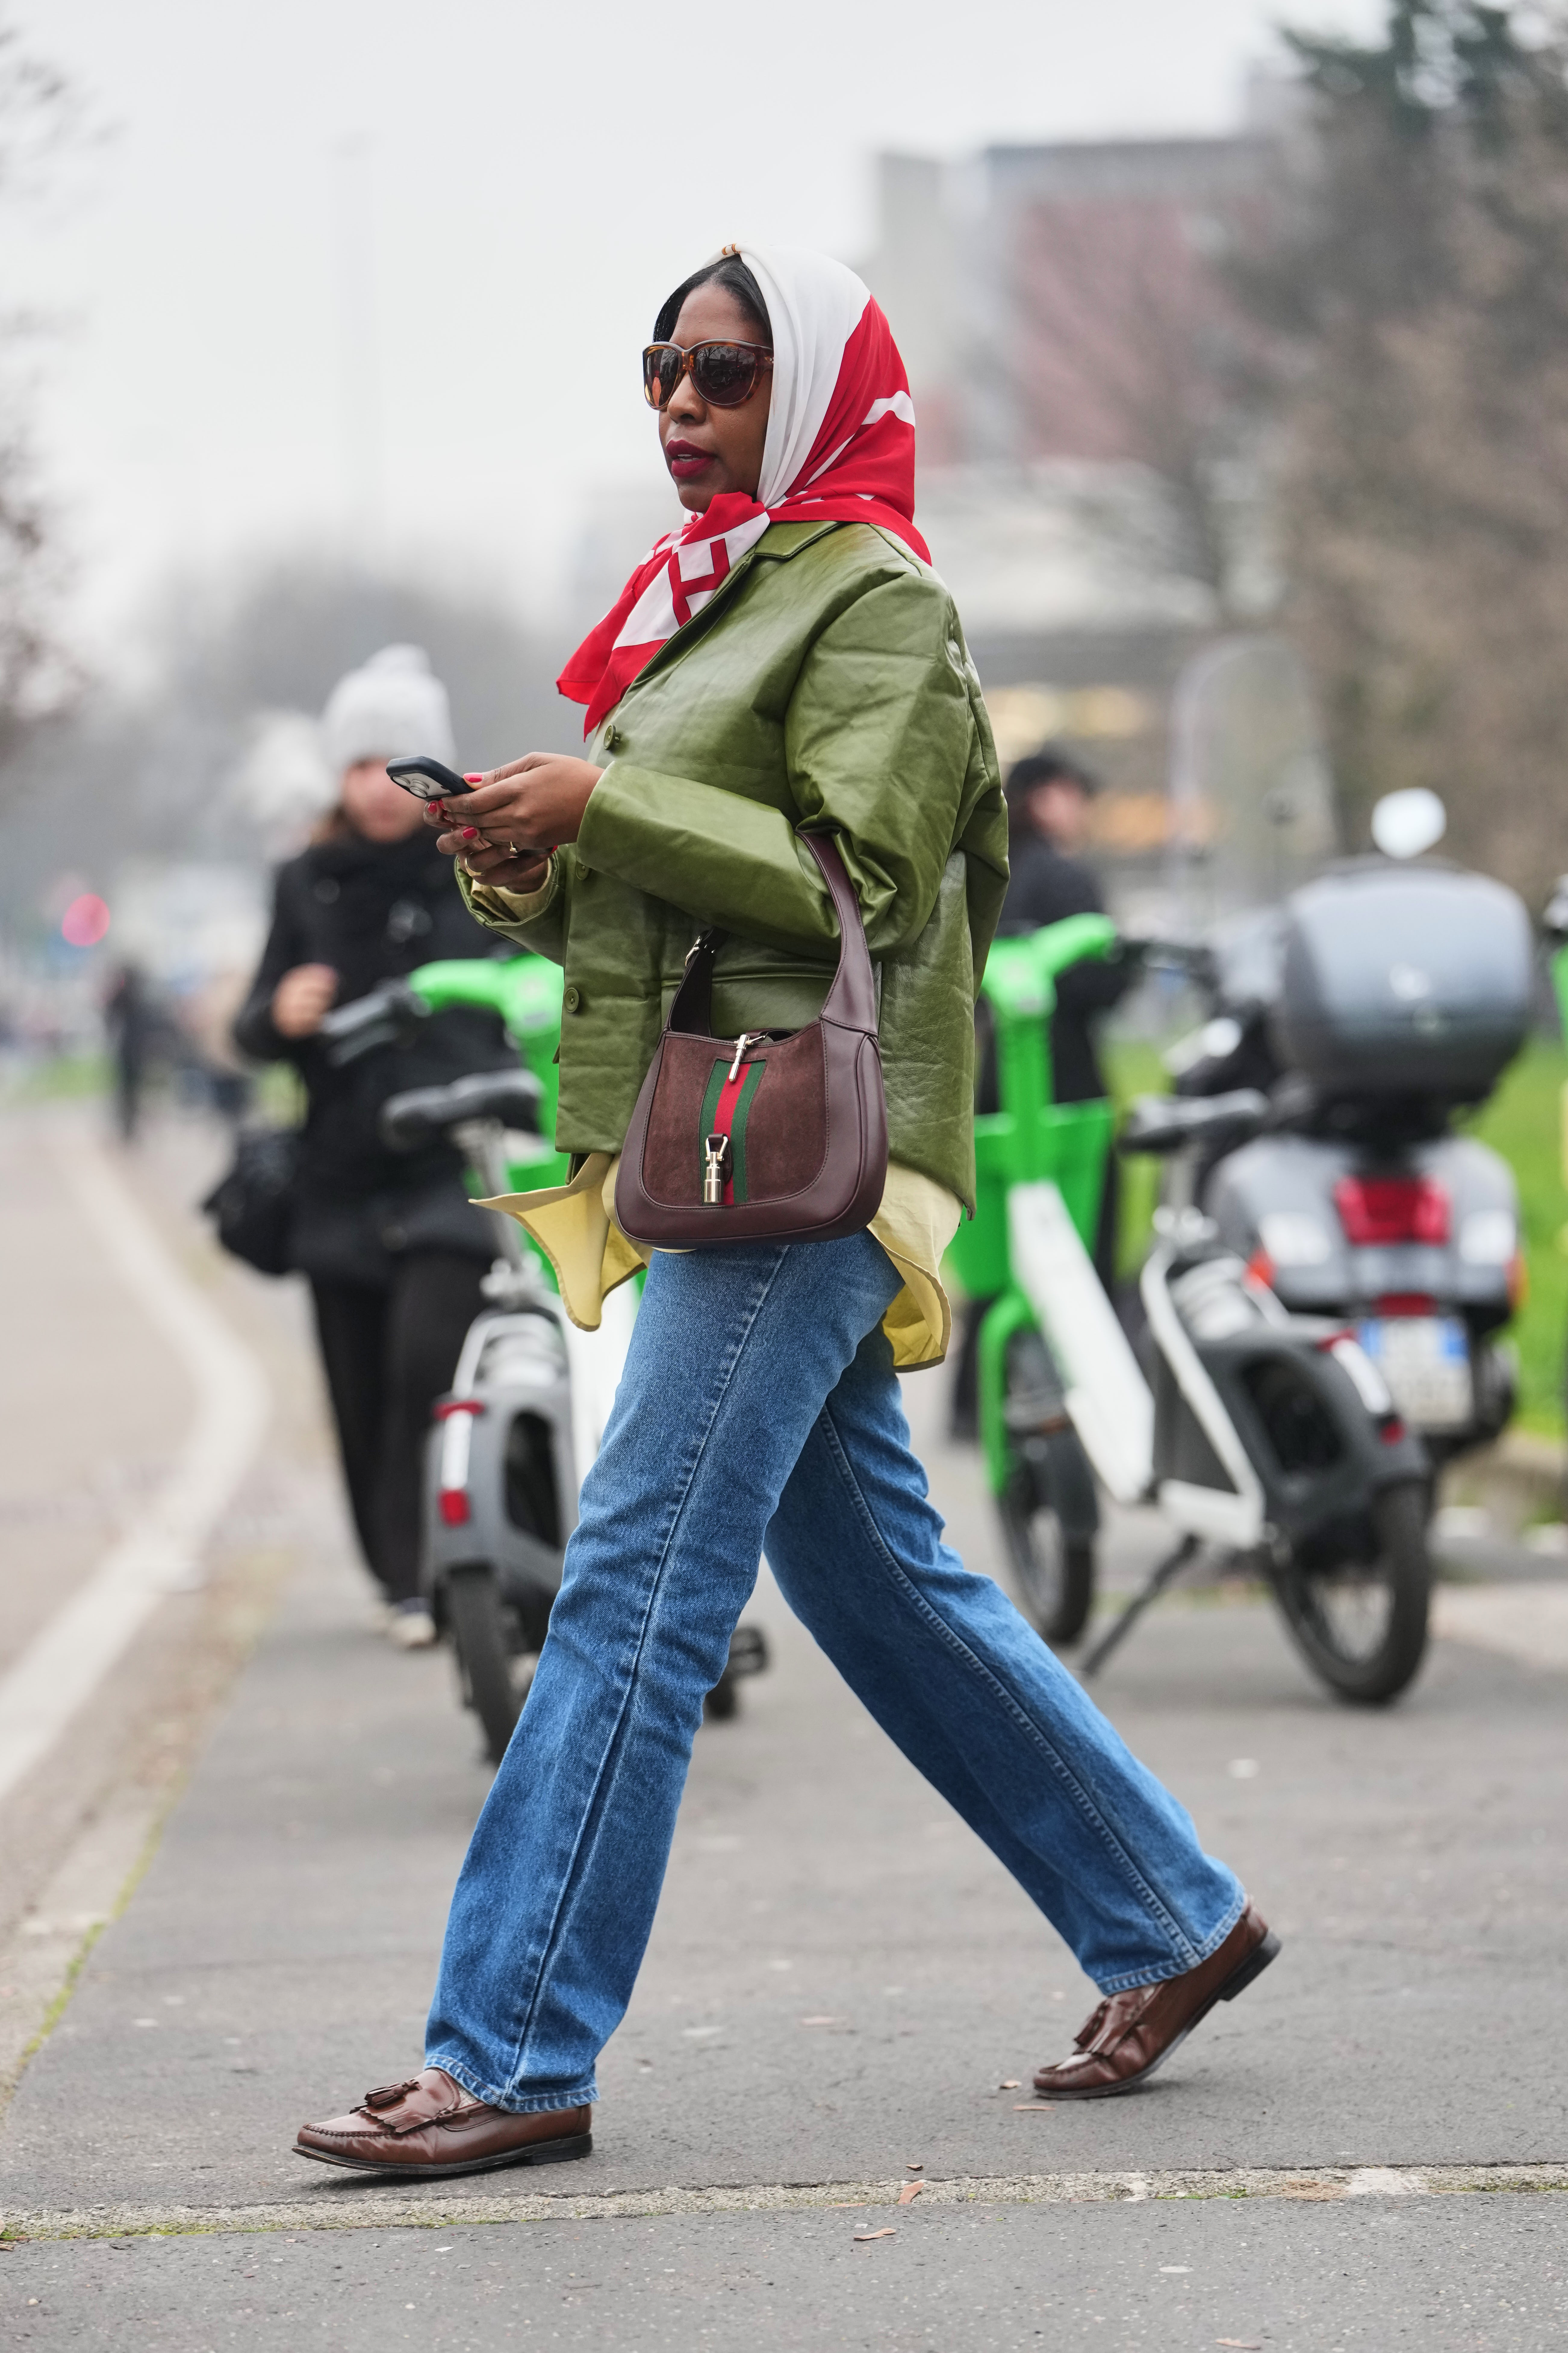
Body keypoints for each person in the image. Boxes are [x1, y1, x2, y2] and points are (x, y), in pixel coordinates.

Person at [294, 247, 1274, 2180]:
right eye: (658, 367)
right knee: (871, 1578)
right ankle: (1170, 1919)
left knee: (636, 1586)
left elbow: (865, 885)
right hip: (720, 1132)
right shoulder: (707, 600)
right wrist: (525, 849)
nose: (679, 402)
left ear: (816, 390)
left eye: (724, 373)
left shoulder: (882, 601)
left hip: (802, 1149)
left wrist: (610, 804)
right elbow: (666, 893)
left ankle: (510, 2046)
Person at [234, 646, 513, 1648]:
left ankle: (450, 1562)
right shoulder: (306, 882)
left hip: (453, 1161)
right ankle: (398, 1579)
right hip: (340, 1172)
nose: (375, 787)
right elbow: (250, 1029)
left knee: (426, 1366)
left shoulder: (478, 863)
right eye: (357, 765)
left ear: (433, 774)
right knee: (354, 1391)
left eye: (397, 765)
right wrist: (282, 1012)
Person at [947, 745, 1131, 1435]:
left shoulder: (990, 876)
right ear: (1046, 798)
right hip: (1068, 1085)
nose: (1080, 808)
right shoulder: (1064, 879)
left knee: (1001, 1239)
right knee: (1085, 1234)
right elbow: (1102, 983)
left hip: (995, 1083)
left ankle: (979, 1402)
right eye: (1074, 793)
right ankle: (1087, 1394)